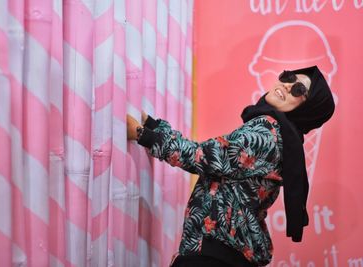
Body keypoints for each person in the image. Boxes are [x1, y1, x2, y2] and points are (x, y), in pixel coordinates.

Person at [126, 66, 335, 267]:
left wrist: (143, 135)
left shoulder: (268, 134)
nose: (288, 86)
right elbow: (216, 160)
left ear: (307, 109)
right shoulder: (282, 138)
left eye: (300, 90)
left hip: (216, 253)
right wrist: (156, 127)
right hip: (228, 251)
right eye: (289, 77)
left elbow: (204, 157)